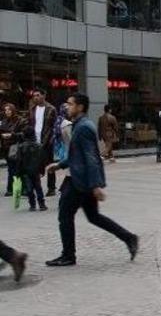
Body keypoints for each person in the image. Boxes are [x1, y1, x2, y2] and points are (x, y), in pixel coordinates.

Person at [45, 93, 139, 267]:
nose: (67, 107)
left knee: (65, 216)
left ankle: (68, 255)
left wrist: (95, 186)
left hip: (79, 181)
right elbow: (76, 154)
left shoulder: (84, 127)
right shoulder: (79, 125)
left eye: (70, 104)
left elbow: (91, 157)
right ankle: (129, 238)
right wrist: (59, 165)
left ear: (80, 107)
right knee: (94, 216)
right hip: (81, 179)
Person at [30, 89, 58, 196]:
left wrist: (51, 140)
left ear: (44, 96)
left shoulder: (51, 109)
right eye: (34, 96)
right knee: (34, 165)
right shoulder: (32, 109)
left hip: (47, 142)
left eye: (37, 95)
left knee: (50, 165)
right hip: (34, 141)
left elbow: (55, 127)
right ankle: (35, 187)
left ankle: (51, 188)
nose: (35, 97)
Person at [16, 127, 47, 211]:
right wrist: (42, 170)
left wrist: (18, 172)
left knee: (29, 188)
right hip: (36, 170)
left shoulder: (21, 147)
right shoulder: (39, 146)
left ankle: (32, 205)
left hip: (26, 171)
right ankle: (42, 204)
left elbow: (19, 160)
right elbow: (42, 160)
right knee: (38, 187)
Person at [1, 103, 25, 197]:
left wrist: (12, 135)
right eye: (6, 110)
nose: (7, 112)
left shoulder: (20, 120)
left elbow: (24, 133)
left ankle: (18, 188)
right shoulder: (4, 121)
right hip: (6, 148)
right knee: (11, 169)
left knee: (17, 168)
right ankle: (11, 188)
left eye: (9, 110)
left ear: (13, 110)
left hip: (16, 147)